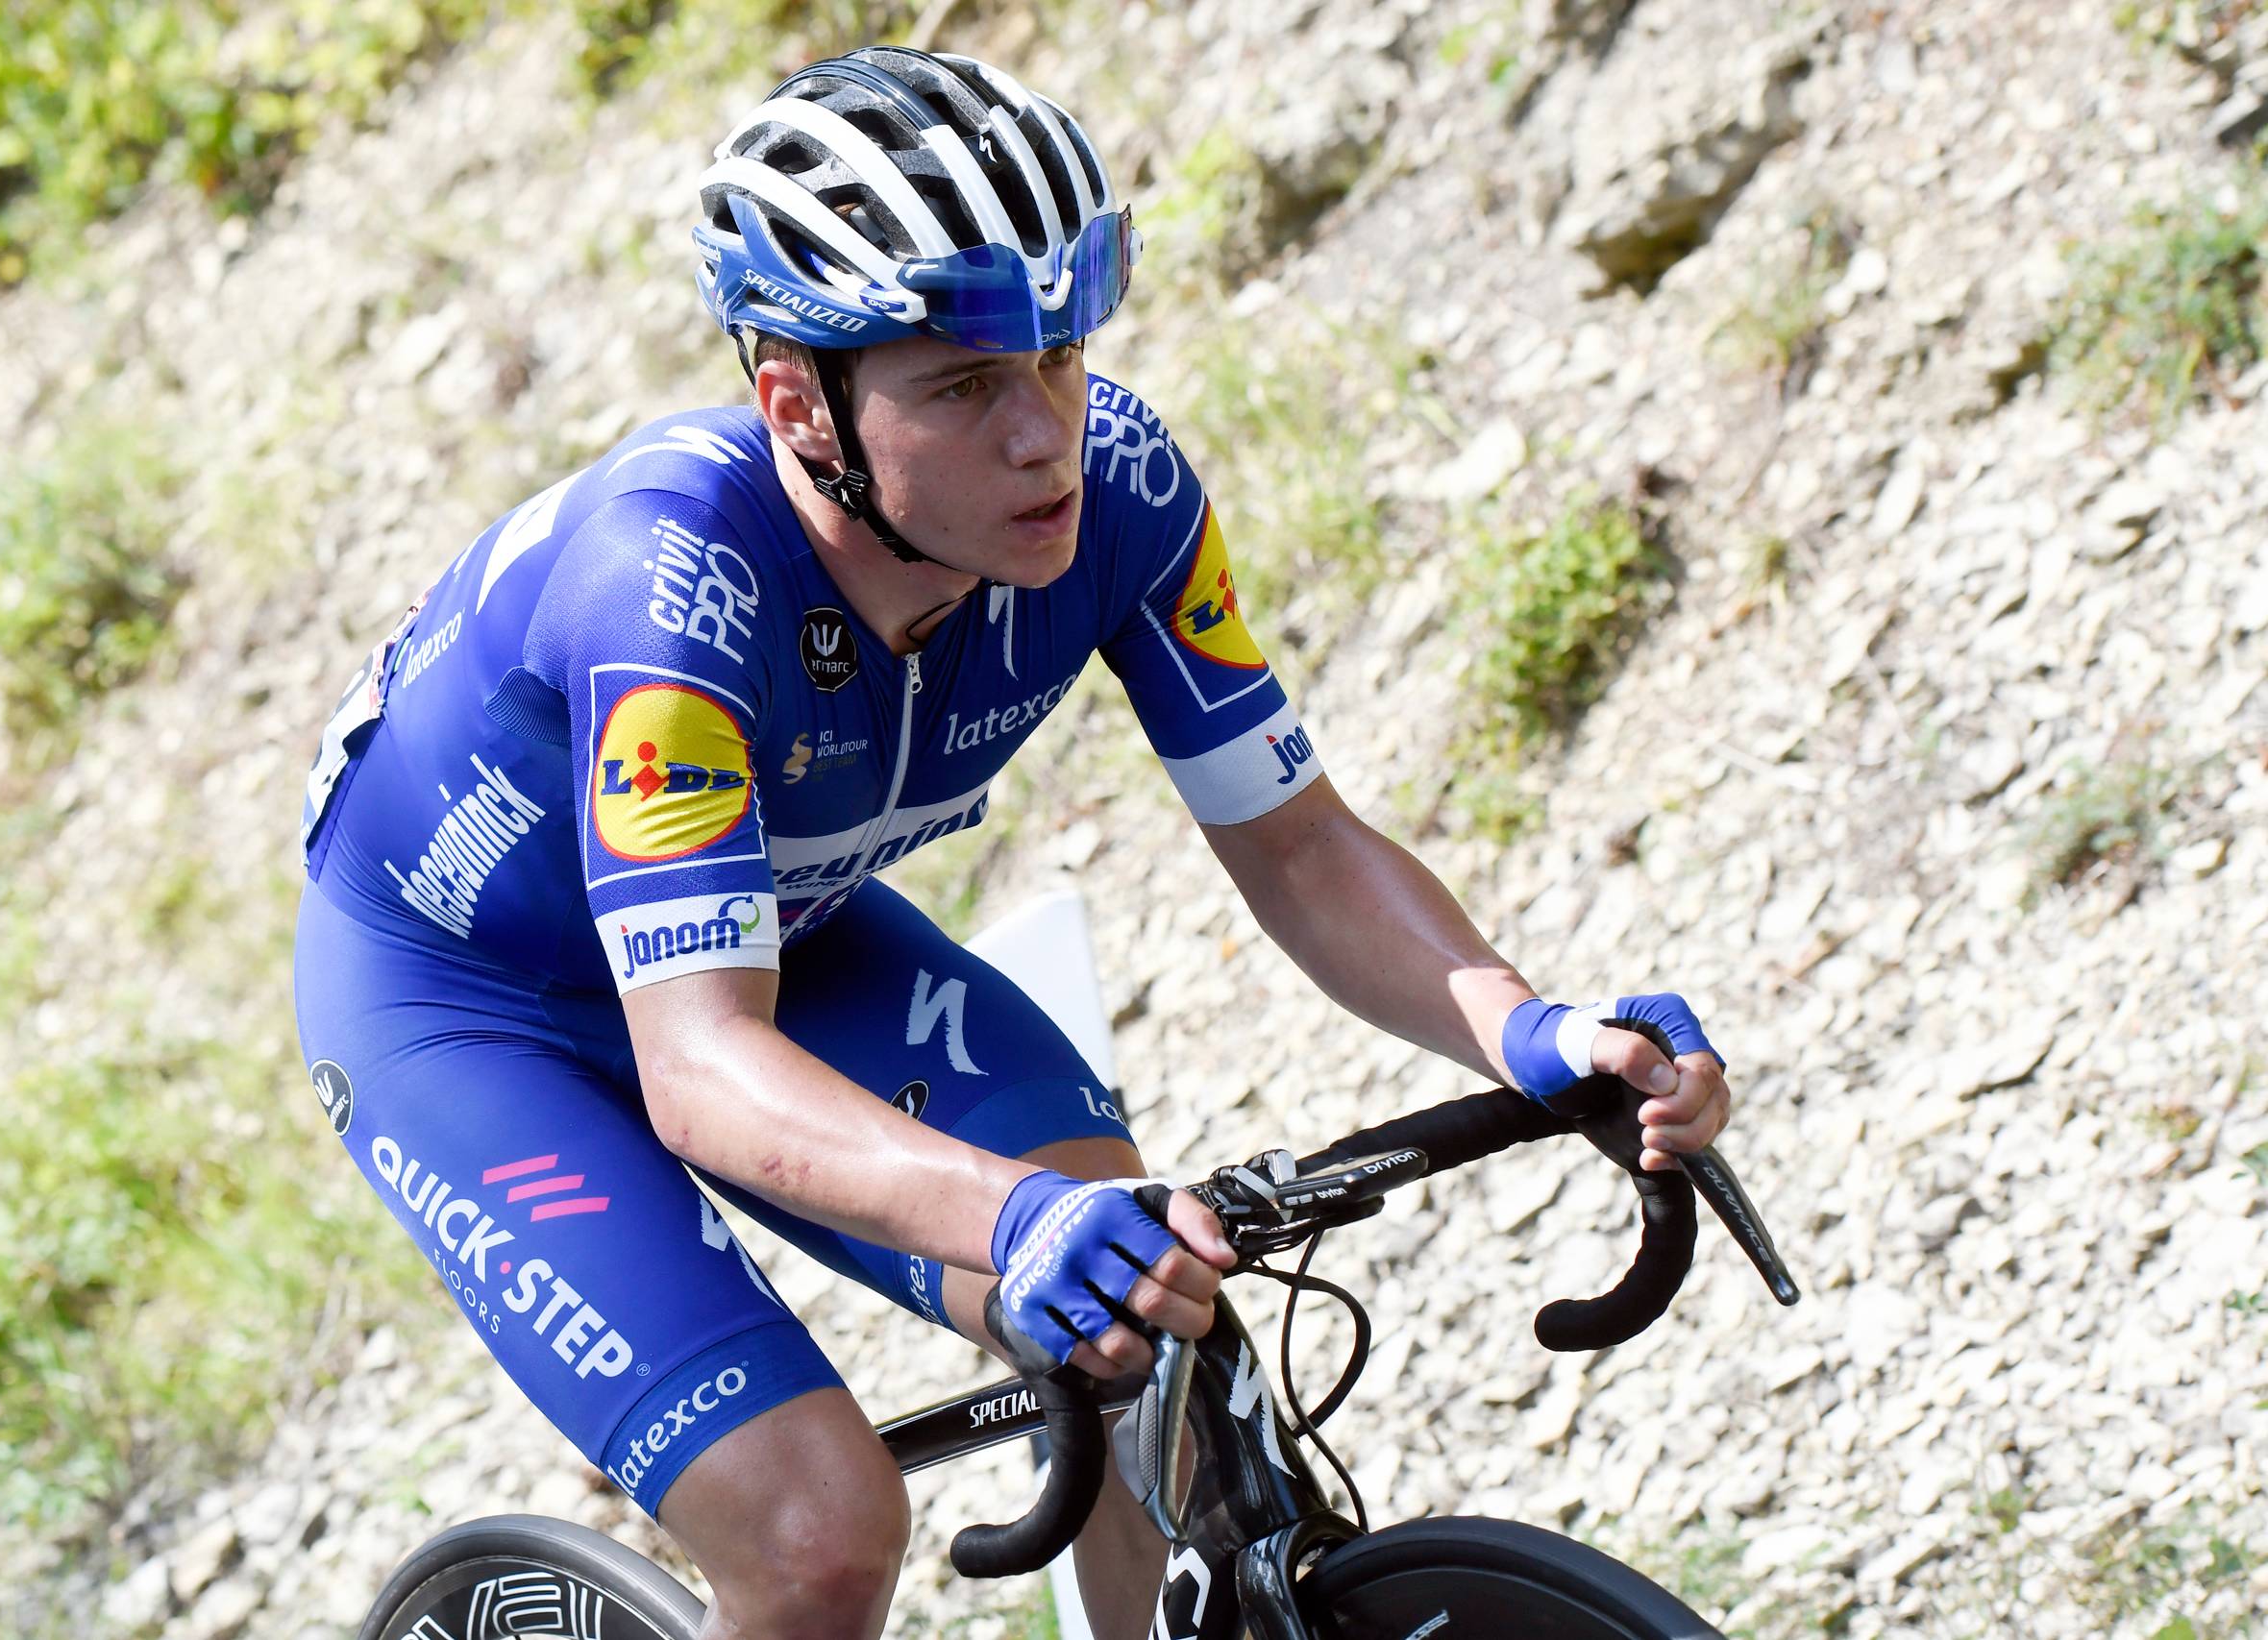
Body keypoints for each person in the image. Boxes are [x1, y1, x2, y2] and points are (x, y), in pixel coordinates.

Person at [291, 44, 1733, 1640]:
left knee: (1151, 1335)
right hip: (474, 1005)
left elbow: (1304, 850)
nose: (1045, 430)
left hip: (773, 924)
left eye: (1060, 351)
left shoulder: (1117, 489)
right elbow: (700, 1069)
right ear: (799, 407)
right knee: (820, 1531)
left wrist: (1528, 1027)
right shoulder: (673, 590)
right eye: (965, 386)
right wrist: (1006, 1219)